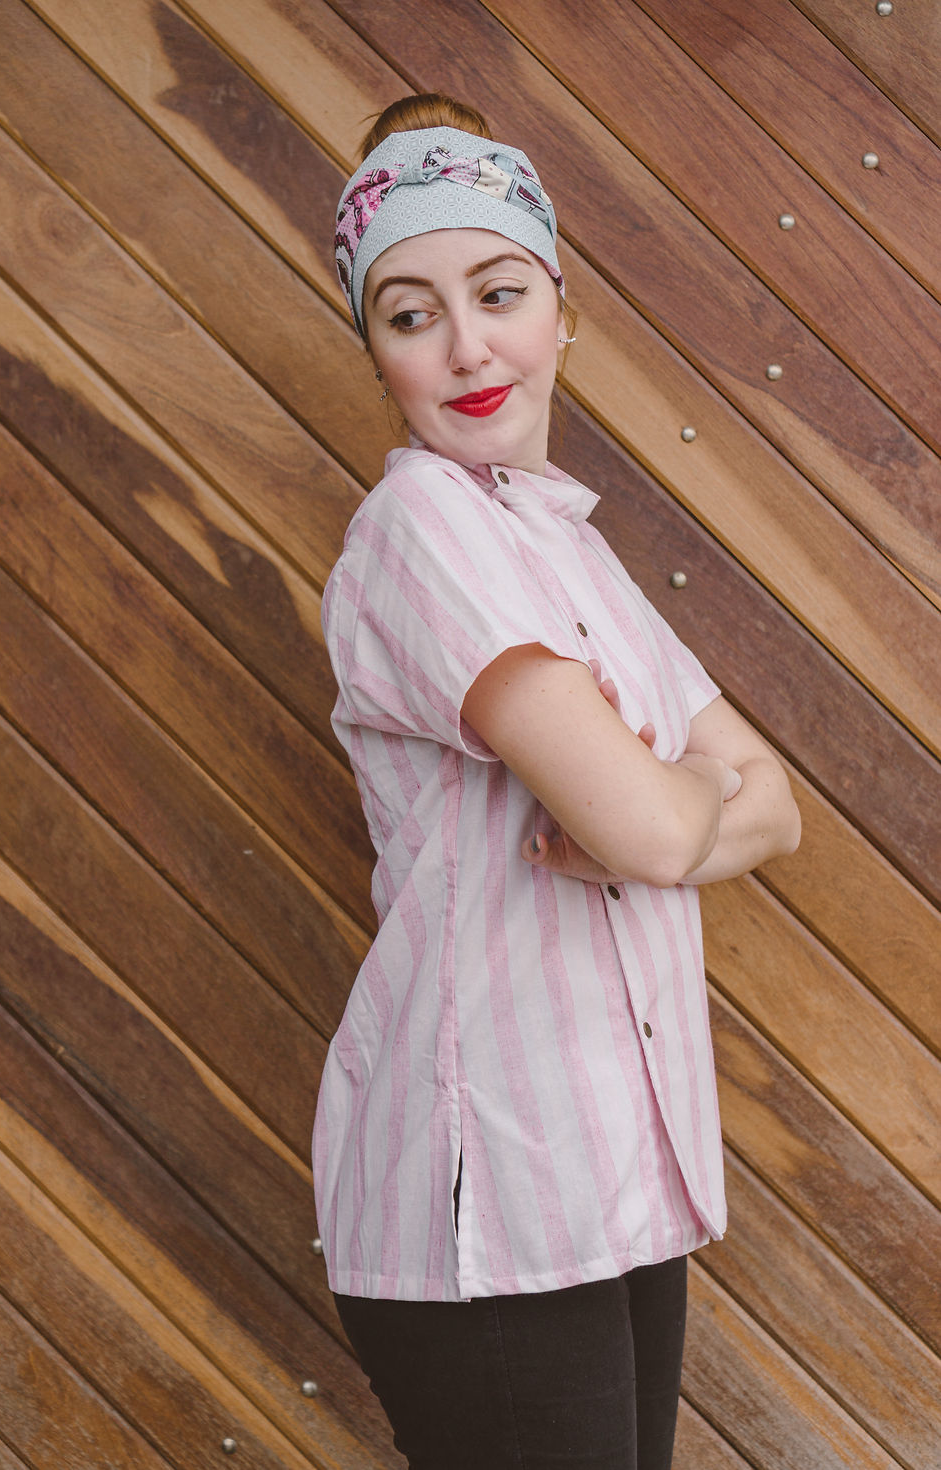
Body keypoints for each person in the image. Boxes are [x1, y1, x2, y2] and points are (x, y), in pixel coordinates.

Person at [315, 94, 801, 1470]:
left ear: (563, 312)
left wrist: (671, 805)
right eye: (411, 314)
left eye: (498, 292)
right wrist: (677, 794)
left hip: (614, 1180)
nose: (467, 346)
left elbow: (777, 806)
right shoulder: (419, 525)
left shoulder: (576, 554)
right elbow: (657, 826)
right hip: (496, 1199)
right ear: (378, 356)